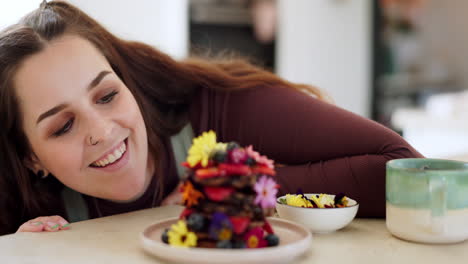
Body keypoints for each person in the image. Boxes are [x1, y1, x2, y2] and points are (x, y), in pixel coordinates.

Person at [0, 1, 423, 236]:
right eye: (63, 126)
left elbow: (408, 169)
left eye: (107, 95)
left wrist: (237, 188)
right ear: (29, 157)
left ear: (126, 81)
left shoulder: (213, 105)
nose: (101, 131)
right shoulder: (26, 204)